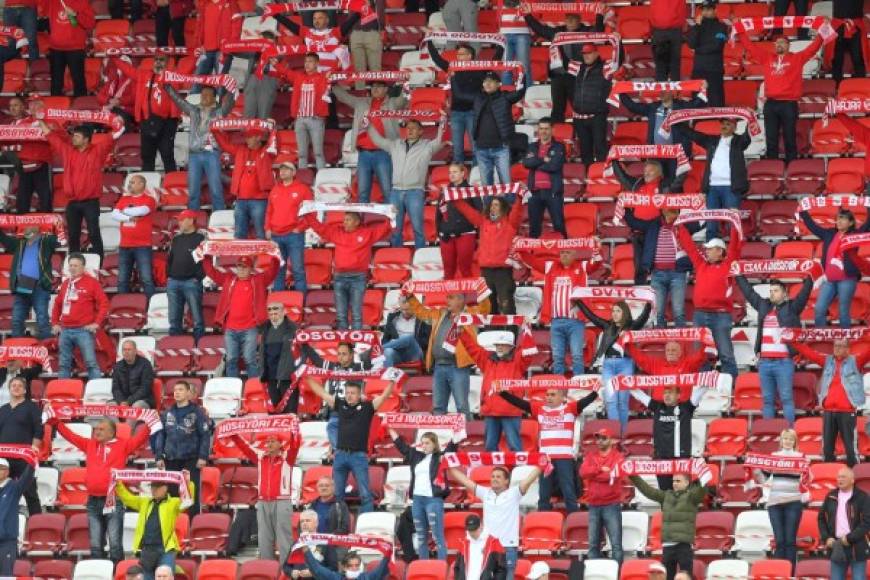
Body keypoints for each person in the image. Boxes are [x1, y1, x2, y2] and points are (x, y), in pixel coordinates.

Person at [49, 416, 155, 562]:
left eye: (101, 429)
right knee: (95, 545)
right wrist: (56, 423)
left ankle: (117, 575)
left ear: (112, 433)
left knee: (115, 544)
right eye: (96, 429)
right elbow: (71, 436)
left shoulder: (123, 445)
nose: (96, 432)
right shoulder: (90, 444)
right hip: (93, 501)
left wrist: (151, 422)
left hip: (114, 499)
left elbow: (140, 438)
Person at [305, 377, 397, 513]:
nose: (349, 395)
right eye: (347, 392)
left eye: (352, 393)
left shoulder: (367, 407)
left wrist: (392, 381)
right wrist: (308, 377)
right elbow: (322, 394)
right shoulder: (340, 405)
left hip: (358, 456)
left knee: (365, 494)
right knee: (338, 495)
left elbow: (384, 396)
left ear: (359, 395)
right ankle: (338, 526)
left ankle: (365, 526)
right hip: (340, 455)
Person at [499, 386, 598, 512]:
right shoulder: (540, 409)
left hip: (564, 458)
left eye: (553, 395)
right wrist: (502, 393)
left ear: (562, 397)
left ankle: (573, 519)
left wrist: (595, 391)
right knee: (544, 494)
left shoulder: (570, 408)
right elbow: (519, 403)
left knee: (569, 493)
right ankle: (543, 519)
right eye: (547, 395)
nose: (549, 397)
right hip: (545, 460)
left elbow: (586, 401)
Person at [735, 277, 813, 425]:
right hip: (764, 362)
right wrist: (739, 275)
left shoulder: (793, 307)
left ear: (785, 294)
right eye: (770, 291)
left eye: (776, 291)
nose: (772, 294)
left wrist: (811, 276)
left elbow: (805, 292)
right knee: (767, 400)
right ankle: (769, 432)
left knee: (786, 398)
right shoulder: (764, 305)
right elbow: (749, 292)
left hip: (783, 362)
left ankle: (789, 433)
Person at [737, 31, 823, 163]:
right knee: (771, 138)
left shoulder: (797, 58)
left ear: (789, 46)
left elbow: (813, 48)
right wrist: (741, 32)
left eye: (782, 43)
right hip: (770, 104)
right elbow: (750, 47)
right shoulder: (767, 58)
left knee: (790, 137)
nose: (778, 45)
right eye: (776, 43)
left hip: (789, 104)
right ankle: (773, 166)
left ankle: (792, 164)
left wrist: (822, 32)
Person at [403, 289, 490, 419]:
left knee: (462, 406)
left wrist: (482, 291)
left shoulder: (470, 314)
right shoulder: (440, 313)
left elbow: (485, 309)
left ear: (461, 300)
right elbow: (421, 312)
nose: (446, 300)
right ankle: (439, 437)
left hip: (458, 367)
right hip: (439, 366)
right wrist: (410, 297)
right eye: (447, 297)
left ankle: (468, 435)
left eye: (451, 298)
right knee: (438, 407)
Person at [450, 465, 543, 579]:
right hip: (489, 547)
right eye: (493, 476)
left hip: (507, 547)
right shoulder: (485, 493)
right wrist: (447, 467)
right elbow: (464, 480)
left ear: (506, 481)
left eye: (498, 477)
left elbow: (529, 479)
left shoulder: (514, 493)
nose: (494, 479)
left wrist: (541, 465)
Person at [303, 211, 392, 329]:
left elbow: (387, 227)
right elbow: (319, 227)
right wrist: (306, 213)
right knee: (341, 315)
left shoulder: (367, 233)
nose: (344, 222)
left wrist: (392, 214)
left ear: (357, 222)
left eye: (348, 220)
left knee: (356, 314)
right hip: (339, 277)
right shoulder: (336, 232)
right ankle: (343, 345)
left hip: (358, 278)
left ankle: (356, 345)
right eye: (344, 219)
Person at [40, 122, 116, 259]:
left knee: (93, 233)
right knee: (73, 235)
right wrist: (40, 120)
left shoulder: (98, 151)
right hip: (72, 203)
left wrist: (116, 123)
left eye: (77, 136)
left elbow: (114, 136)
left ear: (86, 139)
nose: (73, 138)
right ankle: (73, 262)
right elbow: (51, 137)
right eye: (73, 136)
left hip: (91, 202)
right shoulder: (68, 151)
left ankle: (98, 263)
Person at [574, 299, 652, 431]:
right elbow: (591, 316)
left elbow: (643, 317)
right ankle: (616, 433)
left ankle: (622, 435)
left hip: (625, 364)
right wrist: (579, 302)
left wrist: (649, 303)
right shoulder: (607, 325)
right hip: (608, 366)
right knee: (611, 401)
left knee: (622, 401)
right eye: (613, 311)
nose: (614, 314)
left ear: (625, 312)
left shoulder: (632, 326)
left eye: (618, 311)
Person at [790, 338, 870, 467]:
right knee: (827, 449)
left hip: (847, 412)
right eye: (835, 345)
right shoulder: (827, 361)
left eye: (841, 346)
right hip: (828, 412)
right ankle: (830, 473)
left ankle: (854, 477)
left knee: (851, 449)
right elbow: (810, 353)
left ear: (848, 349)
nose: (837, 348)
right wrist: (793, 342)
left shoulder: (856, 361)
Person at [367, 117, 444, 249]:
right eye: (408, 128)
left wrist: (443, 121)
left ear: (421, 131)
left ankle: (420, 257)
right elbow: (378, 140)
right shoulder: (395, 144)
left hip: (415, 192)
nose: (410, 130)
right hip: (395, 192)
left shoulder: (427, 146)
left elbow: (440, 140)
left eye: (414, 128)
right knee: (395, 229)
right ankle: (397, 254)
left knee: (418, 229)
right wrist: (367, 125)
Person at [677, 229, 741, 379]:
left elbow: (735, 245)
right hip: (700, 315)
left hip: (721, 315)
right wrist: (680, 227)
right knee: (699, 355)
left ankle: (730, 388)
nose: (706, 252)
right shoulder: (701, 264)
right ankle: (703, 388)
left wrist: (734, 223)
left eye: (710, 249)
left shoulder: (729, 264)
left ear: (720, 251)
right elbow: (690, 248)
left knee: (726, 354)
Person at [522, 6, 605, 122]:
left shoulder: (586, 31)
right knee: (557, 110)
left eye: (572, 18)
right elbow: (539, 29)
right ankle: (556, 137)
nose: (569, 21)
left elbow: (599, 32)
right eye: (567, 18)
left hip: (577, 76)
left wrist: (599, 15)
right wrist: (527, 15)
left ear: (579, 19)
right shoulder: (558, 31)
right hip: (558, 76)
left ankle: (580, 136)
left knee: (579, 108)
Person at [203, 254, 279, 379]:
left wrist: (274, 255)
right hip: (230, 329)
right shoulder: (229, 279)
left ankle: (254, 388)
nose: (242, 269)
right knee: (231, 359)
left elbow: (273, 271)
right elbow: (211, 272)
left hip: (250, 328)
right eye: (239, 266)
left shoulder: (259, 280)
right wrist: (206, 257)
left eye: (245, 267)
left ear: (251, 269)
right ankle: (233, 389)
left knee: (250, 360)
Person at [612, 160, 687, 284]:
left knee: (646, 265)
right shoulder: (637, 184)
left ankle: (648, 284)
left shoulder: (665, 185)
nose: (646, 173)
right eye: (645, 171)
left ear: (659, 173)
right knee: (639, 268)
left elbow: (680, 177)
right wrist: (613, 159)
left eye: (650, 171)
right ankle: (641, 291)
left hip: (656, 227)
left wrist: (682, 159)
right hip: (637, 226)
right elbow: (622, 177)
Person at [427, 43, 503, 162]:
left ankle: (476, 174)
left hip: (473, 112)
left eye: (461, 54)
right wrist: (429, 42)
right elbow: (437, 59)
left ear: (470, 56)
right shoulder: (452, 67)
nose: (458, 56)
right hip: (456, 113)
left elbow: (495, 61)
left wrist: (501, 45)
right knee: (457, 148)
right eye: (458, 54)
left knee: (475, 146)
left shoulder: (480, 68)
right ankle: (458, 176)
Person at [332, 81, 406, 203]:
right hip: (363, 154)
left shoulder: (392, 103)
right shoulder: (361, 102)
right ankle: (362, 221)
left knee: (388, 191)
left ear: (386, 89)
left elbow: (403, 100)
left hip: (383, 153)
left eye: (379, 86)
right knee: (362, 193)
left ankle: (392, 222)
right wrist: (333, 83)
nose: (375, 88)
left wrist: (406, 85)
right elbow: (344, 97)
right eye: (373, 86)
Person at [390, 429, 458, 560]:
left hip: (433, 500)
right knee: (421, 537)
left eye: (427, 443)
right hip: (417, 500)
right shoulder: (416, 456)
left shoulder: (440, 457)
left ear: (434, 443)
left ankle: (441, 568)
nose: (424, 446)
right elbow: (402, 446)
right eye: (422, 443)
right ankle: (424, 567)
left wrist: (457, 429)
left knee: (438, 536)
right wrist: (390, 429)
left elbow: (453, 445)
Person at [628, 383, 711, 490]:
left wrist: (710, 378)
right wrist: (627, 383)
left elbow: (700, 391)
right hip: (661, 459)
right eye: (665, 393)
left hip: (680, 459)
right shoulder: (657, 407)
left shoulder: (686, 407)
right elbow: (639, 395)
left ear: (678, 395)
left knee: (682, 494)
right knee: (665, 495)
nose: (666, 395)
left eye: (670, 393)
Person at [167, 85, 235, 213]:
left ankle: (218, 217)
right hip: (194, 155)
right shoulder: (193, 110)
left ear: (214, 99)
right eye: (202, 94)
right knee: (193, 190)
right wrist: (168, 87)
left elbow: (230, 103)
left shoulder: (220, 112)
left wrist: (231, 88)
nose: (204, 97)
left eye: (208, 94)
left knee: (216, 189)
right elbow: (179, 101)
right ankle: (193, 218)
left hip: (212, 154)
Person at [461, 329, 532, 452]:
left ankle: (517, 471)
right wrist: (460, 331)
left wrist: (527, 330)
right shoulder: (487, 359)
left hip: (510, 411)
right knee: (490, 448)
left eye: (502, 345)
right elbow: (471, 347)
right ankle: (492, 471)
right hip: (491, 411)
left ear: (511, 346)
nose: (499, 347)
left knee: (514, 447)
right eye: (497, 345)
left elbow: (529, 352)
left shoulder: (518, 360)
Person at [231, 433, 298, 562]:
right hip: (262, 501)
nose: (269, 444)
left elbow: (295, 446)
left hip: (282, 500)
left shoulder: (287, 458)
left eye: (273, 441)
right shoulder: (260, 457)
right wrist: (234, 435)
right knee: (264, 538)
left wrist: (294, 432)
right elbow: (244, 447)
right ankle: (267, 569)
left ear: (280, 444)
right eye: (267, 442)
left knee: (284, 538)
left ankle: (287, 570)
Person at [112, 54, 185, 172]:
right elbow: (128, 70)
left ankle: (170, 185)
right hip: (146, 121)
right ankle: (146, 187)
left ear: (167, 63)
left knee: (167, 155)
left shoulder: (172, 76)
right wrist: (113, 57)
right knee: (147, 157)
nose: (158, 62)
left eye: (161, 60)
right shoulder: (143, 75)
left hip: (167, 123)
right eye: (156, 60)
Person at [630, 473, 711, 580]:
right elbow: (648, 491)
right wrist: (633, 476)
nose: (674, 483)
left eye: (678, 481)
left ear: (687, 483)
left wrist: (703, 477)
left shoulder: (692, 497)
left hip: (684, 546)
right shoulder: (666, 495)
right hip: (668, 546)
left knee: (686, 577)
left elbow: (702, 490)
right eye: (673, 481)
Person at [682, 119, 752, 240]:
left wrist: (751, 120)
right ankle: (711, 249)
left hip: (731, 187)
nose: (724, 126)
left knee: (733, 221)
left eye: (728, 124)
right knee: (711, 222)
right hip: (712, 188)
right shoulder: (712, 140)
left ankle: (734, 251)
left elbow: (747, 137)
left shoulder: (739, 141)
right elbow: (694, 135)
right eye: (723, 124)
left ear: (735, 128)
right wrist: (677, 121)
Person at [799, 208, 870, 328]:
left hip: (847, 279)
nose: (839, 221)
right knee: (819, 309)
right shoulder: (829, 233)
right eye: (838, 219)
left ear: (851, 223)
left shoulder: (855, 234)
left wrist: (868, 205)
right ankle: (822, 338)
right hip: (829, 280)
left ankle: (844, 341)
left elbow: (868, 223)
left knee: (843, 312)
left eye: (843, 219)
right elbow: (812, 226)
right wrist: (803, 211)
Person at [748, 429, 807, 570]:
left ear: (795, 441)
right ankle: (780, 572)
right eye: (785, 439)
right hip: (775, 503)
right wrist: (757, 471)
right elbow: (764, 479)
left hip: (793, 502)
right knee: (780, 541)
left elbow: (806, 480)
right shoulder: (773, 456)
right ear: (781, 441)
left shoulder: (801, 457)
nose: (787, 442)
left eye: (790, 439)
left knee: (790, 541)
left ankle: (790, 573)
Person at [115, 476, 195, 580]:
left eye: (156, 487)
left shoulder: (173, 503)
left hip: (165, 549)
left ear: (165, 488)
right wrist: (118, 484)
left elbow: (188, 501)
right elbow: (127, 498)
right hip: (147, 549)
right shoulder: (144, 502)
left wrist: (188, 483)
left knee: (165, 577)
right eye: (152, 487)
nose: (153, 490)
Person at [453, 197, 524, 314]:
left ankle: (511, 332)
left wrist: (519, 197)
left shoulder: (510, 223)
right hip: (486, 272)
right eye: (492, 205)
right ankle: (489, 332)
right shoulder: (483, 222)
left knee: (506, 305)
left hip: (503, 272)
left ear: (503, 207)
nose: (493, 207)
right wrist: (455, 200)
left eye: (496, 205)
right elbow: (468, 211)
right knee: (487, 307)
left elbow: (517, 210)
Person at [455, 71, 526, 187]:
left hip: (501, 148)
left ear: (499, 84)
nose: (487, 84)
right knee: (486, 187)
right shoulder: (478, 98)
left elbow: (520, 91)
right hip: (481, 149)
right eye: (485, 81)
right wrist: (453, 77)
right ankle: (487, 205)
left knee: (506, 185)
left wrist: (522, 73)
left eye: (491, 81)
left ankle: (509, 204)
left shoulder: (505, 97)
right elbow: (459, 95)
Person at [624, 209, 693, 326]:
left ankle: (682, 343)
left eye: (676, 212)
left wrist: (701, 203)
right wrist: (624, 207)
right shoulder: (653, 225)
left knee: (679, 312)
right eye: (672, 211)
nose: (674, 215)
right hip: (657, 274)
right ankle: (661, 343)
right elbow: (634, 223)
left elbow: (700, 222)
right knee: (658, 313)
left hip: (678, 274)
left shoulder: (683, 224)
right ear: (664, 212)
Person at [153, 381, 211, 515]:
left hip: (191, 459)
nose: (177, 392)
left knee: (190, 493)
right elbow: (161, 435)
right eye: (175, 390)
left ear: (188, 393)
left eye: (180, 390)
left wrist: (203, 456)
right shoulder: (167, 413)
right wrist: (159, 456)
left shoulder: (197, 412)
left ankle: (192, 523)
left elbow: (205, 434)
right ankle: (174, 523)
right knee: (172, 494)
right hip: (171, 459)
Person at [618, 90, 703, 180]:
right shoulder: (653, 107)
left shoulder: (681, 106)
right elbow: (632, 106)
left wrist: (703, 90)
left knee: (674, 182)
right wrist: (620, 91)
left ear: (672, 93)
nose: (663, 92)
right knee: (657, 181)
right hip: (656, 153)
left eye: (666, 90)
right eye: (661, 90)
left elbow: (696, 104)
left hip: (675, 153)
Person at [52, 252, 110, 380]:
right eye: (70, 265)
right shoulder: (66, 283)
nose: (72, 268)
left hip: (83, 329)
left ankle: (97, 392)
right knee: (63, 365)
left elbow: (104, 303)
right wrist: (55, 323)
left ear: (83, 267)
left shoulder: (92, 283)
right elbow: (57, 304)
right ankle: (63, 392)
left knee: (90, 363)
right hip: (65, 330)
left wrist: (97, 323)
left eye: (76, 266)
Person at [304, 342, 372, 448]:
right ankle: (340, 451)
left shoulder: (359, 368)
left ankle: (342, 451)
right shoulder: (333, 367)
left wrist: (374, 341)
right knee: (331, 426)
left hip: (353, 409)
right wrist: (303, 344)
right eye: (339, 354)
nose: (340, 357)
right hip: (336, 409)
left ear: (351, 355)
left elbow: (373, 356)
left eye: (344, 354)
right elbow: (316, 360)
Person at [212, 126, 275, 239]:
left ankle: (261, 257)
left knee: (261, 234)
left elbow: (276, 143)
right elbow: (225, 145)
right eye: (246, 137)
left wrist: (272, 129)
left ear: (258, 137)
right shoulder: (241, 149)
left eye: (249, 137)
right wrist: (215, 130)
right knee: (239, 234)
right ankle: (240, 257)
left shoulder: (267, 151)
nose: (246, 140)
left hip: (259, 200)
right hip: (241, 200)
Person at [270, 53, 330, 170]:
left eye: (311, 61)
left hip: (316, 119)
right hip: (300, 120)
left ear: (317, 64)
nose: (307, 64)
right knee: (302, 154)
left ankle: (322, 179)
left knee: (318, 153)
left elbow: (338, 72)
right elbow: (286, 72)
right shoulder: (299, 76)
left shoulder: (323, 77)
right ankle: (303, 179)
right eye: (306, 61)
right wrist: (276, 65)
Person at [0, 225, 58, 340]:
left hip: (39, 286)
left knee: (42, 320)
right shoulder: (19, 243)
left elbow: (58, 240)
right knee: (17, 320)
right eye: (26, 228)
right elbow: (4, 239)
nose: (28, 229)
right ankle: (19, 351)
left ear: (38, 231)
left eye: (31, 227)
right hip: (23, 285)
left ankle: (46, 349)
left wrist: (54, 226)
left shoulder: (45, 242)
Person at [266, 161, 312, 293]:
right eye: (281, 169)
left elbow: (311, 211)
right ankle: (278, 300)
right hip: (276, 234)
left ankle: (301, 301)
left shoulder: (303, 189)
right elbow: (269, 211)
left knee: (297, 269)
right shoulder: (275, 189)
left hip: (294, 235)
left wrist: (300, 228)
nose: (283, 172)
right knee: (278, 269)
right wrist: (267, 228)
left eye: (287, 169)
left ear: (294, 172)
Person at [580, 427, 625, 563]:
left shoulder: (618, 456)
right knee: (593, 545)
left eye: (603, 438)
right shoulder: (591, 456)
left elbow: (614, 475)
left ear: (611, 440)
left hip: (611, 504)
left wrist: (594, 474)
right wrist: (599, 469)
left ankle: (617, 575)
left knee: (616, 545)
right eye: (598, 438)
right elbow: (582, 472)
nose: (600, 441)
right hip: (594, 504)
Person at [0, 377, 42, 516]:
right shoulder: (3, 409)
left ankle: (38, 525)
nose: (16, 387)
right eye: (13, 385)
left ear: (25, 390)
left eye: (19, 385)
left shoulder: (31, 407)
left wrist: (34, 450)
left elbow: (38, 429)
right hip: (3, 459)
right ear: (9, 388)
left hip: (24, 458)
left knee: (30, 493)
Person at [819, 467, 870, 580]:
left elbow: (867, 523)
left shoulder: (863, 497)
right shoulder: (830, 496)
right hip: (836, 545)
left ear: (852, 480)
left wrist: (849, 538)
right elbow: (821, 518)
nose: (839, 479)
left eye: (843, 477)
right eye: (838, 477)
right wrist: (826, 537)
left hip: (858, 546)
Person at [112, 175, 157, 299]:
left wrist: (124, 211)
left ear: (141, 184)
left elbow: (142, 211)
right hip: (124, 245)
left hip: (142, 245)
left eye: (132, 182)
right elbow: (114, 215)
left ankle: (149, 306)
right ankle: (124, 305)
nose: (129, 185)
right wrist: (128, 217)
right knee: (122, 279)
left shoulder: (150, 199)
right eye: (129, 182)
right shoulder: (124, 198)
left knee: (146, 279)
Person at [3, 97, 52, 213]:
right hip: (23, 165)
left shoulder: (35, 122)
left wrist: (13, 148)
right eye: (11, 106)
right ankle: (20, 226)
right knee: (22, 201)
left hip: (38, 163)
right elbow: (7, 145)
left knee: (45, 199)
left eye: (16, 105)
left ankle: (49, 228)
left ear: (23, 107)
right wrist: (13, 148)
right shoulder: (9, 124)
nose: (12, 108)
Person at [522, 117, 567, 238]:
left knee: (559, 226)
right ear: (538, 129)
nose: (544, 131)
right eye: (541, 128)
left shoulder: (559, 147)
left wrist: (535, 164)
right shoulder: (532, 146)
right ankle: (532, 255)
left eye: (546, 129)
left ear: (552, 130)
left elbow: (554, 166)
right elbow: (526, 163)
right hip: (534, 193)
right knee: (534, 229)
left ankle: (563, 254)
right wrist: (543, 160)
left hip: (553, 192)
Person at [625, 341, 710, 402]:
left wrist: (707, 341)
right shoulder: (656, 364)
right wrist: (627, 342)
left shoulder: (688, 364)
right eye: (668, 350)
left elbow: (701, 356)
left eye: (673, 350)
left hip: (682, 406)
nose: (670, 352)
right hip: (659, 406)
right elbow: (639, 357)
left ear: (680, 353)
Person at [166, 210, 206, 341]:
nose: (179, 222)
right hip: (173, 281)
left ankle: (198, 346)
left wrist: (198, 277)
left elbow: (206, 261)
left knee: (197, 318)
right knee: (173, 318)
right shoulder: (176, 238)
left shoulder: (201, 238)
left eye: (182, 220)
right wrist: (169, 276)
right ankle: (175, 346)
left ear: (190, 220)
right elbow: (170, 258)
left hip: (191, 282)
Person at [436, 164, 481, 279]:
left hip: (466, 234)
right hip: (446, 235)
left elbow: (479, 213)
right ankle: (449, 297)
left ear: (463, 174)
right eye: (450, 172)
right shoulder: (444, 191)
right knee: (448, 270)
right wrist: (439, 232)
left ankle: (470, 297)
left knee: (465, 268)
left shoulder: (471, 190)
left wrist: (479, 235)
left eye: (455, 172)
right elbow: (438, 213)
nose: (451, 174)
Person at [572, 44, 611, 165]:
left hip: (597, 116)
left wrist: (618, 41)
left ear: (596, 53)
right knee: (585, 151)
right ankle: (589, 179)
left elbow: (618, 60)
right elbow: (562, 62)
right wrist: (557, 42)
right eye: (584, 54)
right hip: (579, 117)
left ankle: (602, 178)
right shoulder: (579, 68)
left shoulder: (605, 67)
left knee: (600, 149)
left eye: (589, 53)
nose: (586, 56)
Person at [45, 0, 95, 96]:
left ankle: (81, 109)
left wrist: (76, 14)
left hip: (75, 48)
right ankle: (55, 109)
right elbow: (40, 9)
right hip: (56, 48)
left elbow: (90, 23)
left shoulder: (82, 2)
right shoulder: (52, 2)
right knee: (56, 83)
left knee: (78, 81)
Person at [259, 301, 300, 414]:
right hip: (270, 378)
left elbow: (303, 351)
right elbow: (263, 353)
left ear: (283, 312)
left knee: (290, 413)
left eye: (276, 313)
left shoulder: (294, 329)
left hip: (288, 379)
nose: (273, 316)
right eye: (271, 313)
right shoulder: (265, 329)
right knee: (273, 415)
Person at [686, 0, 728, 106]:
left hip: (714, 71)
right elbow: (691, 44)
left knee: (716, 102)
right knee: (697, 102)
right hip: (698, 70)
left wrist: (698, 50)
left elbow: (717, 46)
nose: (705, 12)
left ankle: (718, 122)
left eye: (708, 9)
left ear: (715, 10)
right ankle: (697, 123)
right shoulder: (697, 26)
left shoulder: (722, 27)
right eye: (703, 10)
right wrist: (697, 26)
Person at [305, 477, 351, 570]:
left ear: (333, 487)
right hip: (315, 546)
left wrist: (327, 540)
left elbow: (345, 528)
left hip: (334, 547)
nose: (324, 488)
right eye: (321, 486)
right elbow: (303, 525)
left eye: (327, 485)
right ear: (317, 488)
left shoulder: (340, 505)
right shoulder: (312, 505)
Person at [0, 457, 35, 575]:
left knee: (6, 575)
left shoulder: (14, 488)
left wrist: (32, 463)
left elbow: (26, 478)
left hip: (7, 543)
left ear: (7, 471)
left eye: (1, 468)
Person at [192, 0, 240, 83]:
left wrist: (228, 48)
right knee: (197, 83)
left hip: (223, 51)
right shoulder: (204, 4)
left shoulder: (231, 4)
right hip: (205, 50)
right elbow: (199, 27)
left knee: (220, 85)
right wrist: (198, 45)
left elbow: (236, 28)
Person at [378, 297, 429, 369]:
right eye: (402, 309)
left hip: (414, 352)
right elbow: (385, 339)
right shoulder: (393, 317)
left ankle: (377, 350)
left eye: (407, 309)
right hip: (397, 352)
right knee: (388, 351)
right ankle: (388, 377)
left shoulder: (422, 318)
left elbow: (426, 341)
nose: (404, 312)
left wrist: (407, 341)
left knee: (408, 337)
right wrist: (396, 342)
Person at [453, 514, 507, 580]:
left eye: (474, 529)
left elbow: (501, 569)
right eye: (470, 530)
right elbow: (457, 568)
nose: (472, 533)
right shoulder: (463, 544)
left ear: (481, 526)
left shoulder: (494, 542)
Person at [347, 0, 384, 85]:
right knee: (375, 69)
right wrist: (381, 28)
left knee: (359, 69)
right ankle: (377, 94)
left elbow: (350, 14)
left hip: (357, 32)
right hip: (370, 32)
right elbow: (380, 10)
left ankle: (362, 94)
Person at [112, 340, 156, 408]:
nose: (126, 352)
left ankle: (129, 418)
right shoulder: (118, 366)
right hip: (123, 400)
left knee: (136, 406)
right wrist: (121, 401)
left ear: (135, 351)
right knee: (110, 406)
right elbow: (115, 388)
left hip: (143, 400)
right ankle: (116, 419)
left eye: (129, 350)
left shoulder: (145, 364)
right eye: (124, 350)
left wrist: (129, 402)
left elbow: (145, 389)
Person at [831, 0, 866, 83]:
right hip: (838, 25)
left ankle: (861, 84)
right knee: (837, 58)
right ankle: (837, 86)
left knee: (857, 57)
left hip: (855, 25)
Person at [650, 0, 686, 81]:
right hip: (668, 29)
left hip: (665, 29)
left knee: (668, 65)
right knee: (665, 65)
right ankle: (669, 91)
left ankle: (670, 92)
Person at [303, 547, 390, 580]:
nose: (354, 568)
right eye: (350, 566)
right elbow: (317, 570)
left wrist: (389, 552)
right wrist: (306, 551)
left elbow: (381, 570)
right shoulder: (335, 577)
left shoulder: (367, 577)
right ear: (344, 567)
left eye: (357, 565)